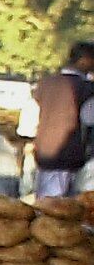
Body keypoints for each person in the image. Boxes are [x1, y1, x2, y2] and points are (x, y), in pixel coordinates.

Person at [31, 40, 94, 197]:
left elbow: (29, 122)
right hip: (71, 160)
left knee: (45, 209)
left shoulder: (44, 83)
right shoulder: (87, 89)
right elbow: (89, 120)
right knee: (66, 213)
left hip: (44, 157)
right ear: (85, 60)